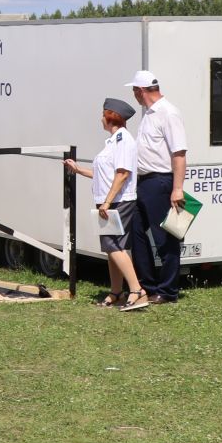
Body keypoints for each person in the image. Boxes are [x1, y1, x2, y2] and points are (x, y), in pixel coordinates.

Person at [63, 97, 150, 310]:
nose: (101, 118)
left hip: (119, 201)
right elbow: (104, 174)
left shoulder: (123, 140)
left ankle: (137, 291)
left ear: (111, 116)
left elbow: (122, 174)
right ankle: (116, 291)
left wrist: (108, 202)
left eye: (103, 114)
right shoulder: (113, 141)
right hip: (108, 201)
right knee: (111, 249)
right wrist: (78, 170)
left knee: (115, 246)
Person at [126, 69, 188, 304]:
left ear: (141, 91)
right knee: (137, 234)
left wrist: (177, 188)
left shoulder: (168, 113)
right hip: (142, 181)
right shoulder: (149, 114)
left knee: (165, 237)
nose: (134, 95)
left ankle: (168, 290)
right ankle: (147, 285)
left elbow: (179, 153)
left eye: (134, 91)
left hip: (160, 180)